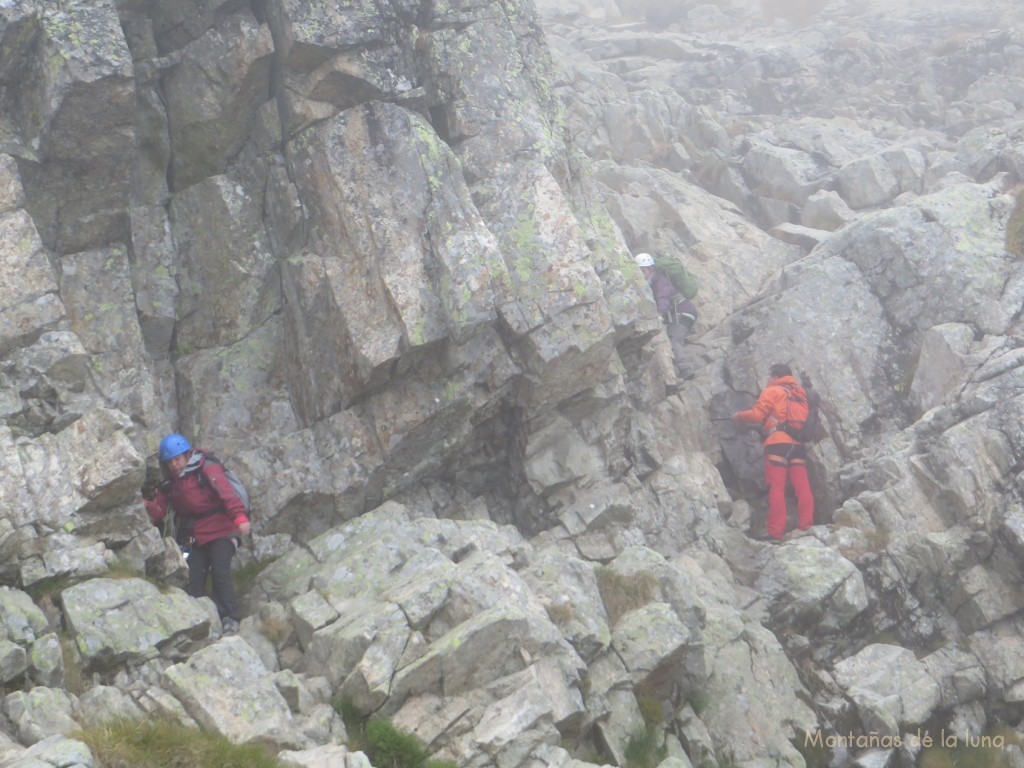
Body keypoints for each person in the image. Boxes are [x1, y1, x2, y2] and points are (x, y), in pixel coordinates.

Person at [144, 433, 251, 634]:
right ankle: (200, 621)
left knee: (220, 570)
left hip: (222, 529)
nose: (175, 465)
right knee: (193, 574)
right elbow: (158, 511)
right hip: (193, 536)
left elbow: (226, 493)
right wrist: (143, 507)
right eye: (170, 462)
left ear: (186, 455)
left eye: (177, 459)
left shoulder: (206, 468)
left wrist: (239, 518)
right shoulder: (170, 484)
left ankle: (230, 617)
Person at [731, 364, 814, 541]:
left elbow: (756, 415)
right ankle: (806, 525)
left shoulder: (773, 391)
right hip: (798, 445)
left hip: (778, 444)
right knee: (803, 487)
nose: (767, 379)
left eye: (769, 376)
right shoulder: (800, 393)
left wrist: (738, 416)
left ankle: (775, 532)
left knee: (777, 488)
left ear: (775, 376)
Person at [635, 252, 697, 380]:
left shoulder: (660, 280)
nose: (641, 274)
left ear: (650, 268)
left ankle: (686, 369)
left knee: (674, 339)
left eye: (642, 270)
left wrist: (659, 316)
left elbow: (663, 299)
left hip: (684, 312)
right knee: (673, 337)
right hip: (679, 313)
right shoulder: (652, 281)